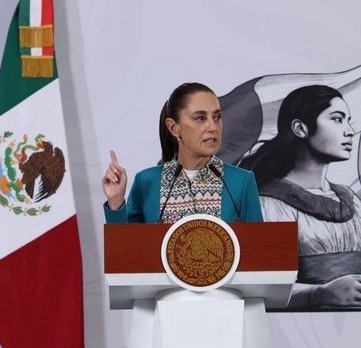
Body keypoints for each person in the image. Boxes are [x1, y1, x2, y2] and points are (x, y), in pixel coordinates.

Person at [238, 85, 361, 308]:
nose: (350, 131)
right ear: (300, 128)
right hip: (298, 324)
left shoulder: (352, 200)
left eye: (348, 120)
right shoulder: (268, 204)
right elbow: (260, 289)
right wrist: (320, 294)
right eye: (337, 119)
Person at [102, 81, 263, 223]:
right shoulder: (146, 182)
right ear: (174, 127)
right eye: (200, 118)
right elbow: (125, 244)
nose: (213, 127)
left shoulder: (242, 182)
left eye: (217, 117)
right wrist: (115, 202)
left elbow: (260, 245)